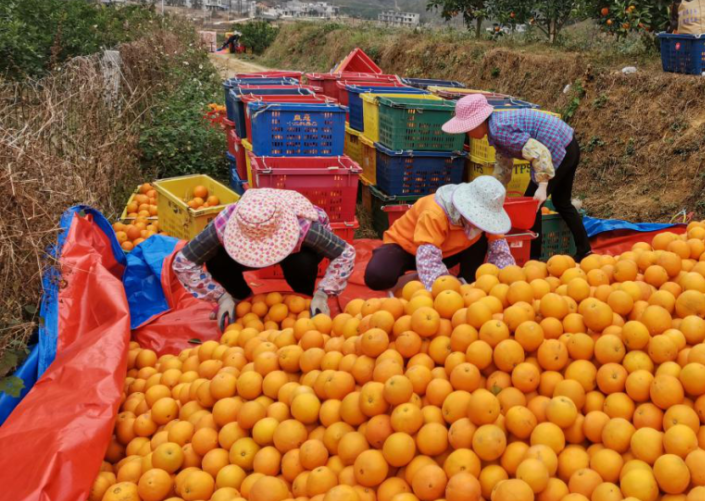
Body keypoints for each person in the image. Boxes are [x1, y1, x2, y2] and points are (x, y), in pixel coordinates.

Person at [173, 187, 356, 329]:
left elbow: (344, 253)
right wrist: (221, 297)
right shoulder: (224, 224)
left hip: (297, 252)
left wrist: (323, 294)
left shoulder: (303, 226)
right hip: (242, 253)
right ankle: (240, 297)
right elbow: (184, 262)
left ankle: (304, 299)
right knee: (216, 260)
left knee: (301, 263)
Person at [442, 94, 591, 261]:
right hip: (567, 145)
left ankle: (532, 259)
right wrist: (495, 191)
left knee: (531, 205)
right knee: (561, 202)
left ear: (478, 122)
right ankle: (585, 251)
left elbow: (539, 152)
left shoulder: (499, 130)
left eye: (467, 128)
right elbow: (504, 164)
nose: (466, 133)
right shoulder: (495, 128)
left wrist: (542, 185)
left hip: (557, 150)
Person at [364, 176, 515, 292]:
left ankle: (468, 282)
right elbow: (428, 256)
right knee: (377, 276)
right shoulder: (435, 213)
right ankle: (414, 279)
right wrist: (445, 292)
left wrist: (508, 283)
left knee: (483, 241)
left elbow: (500, 251)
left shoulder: (487, 221)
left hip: (446, 253)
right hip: (407, 248)